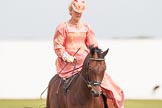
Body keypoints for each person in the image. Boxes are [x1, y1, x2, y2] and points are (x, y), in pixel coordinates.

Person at [53, 0, 124, 108]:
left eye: (80, 12)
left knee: (109, 85)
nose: (78, 14)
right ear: (70, 11)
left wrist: (96, 55)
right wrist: (66, 56)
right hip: (69, 63)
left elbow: (93, 44)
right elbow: (58, 46)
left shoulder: (86, 27)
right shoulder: (63, 27)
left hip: (86, 63)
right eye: (76, 11)